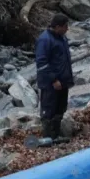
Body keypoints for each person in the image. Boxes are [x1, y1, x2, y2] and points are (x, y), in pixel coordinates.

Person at [35, 13, 74, 141]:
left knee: (60, 109)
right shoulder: (45, 39)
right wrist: (54, 79)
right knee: (49, 110)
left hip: (63, 81)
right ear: (57, 27)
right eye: (65, 26)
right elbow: (41, 62)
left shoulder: (61, 37)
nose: (67, 29)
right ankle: (48, 137)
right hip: (50, 83)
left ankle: (56, 135)